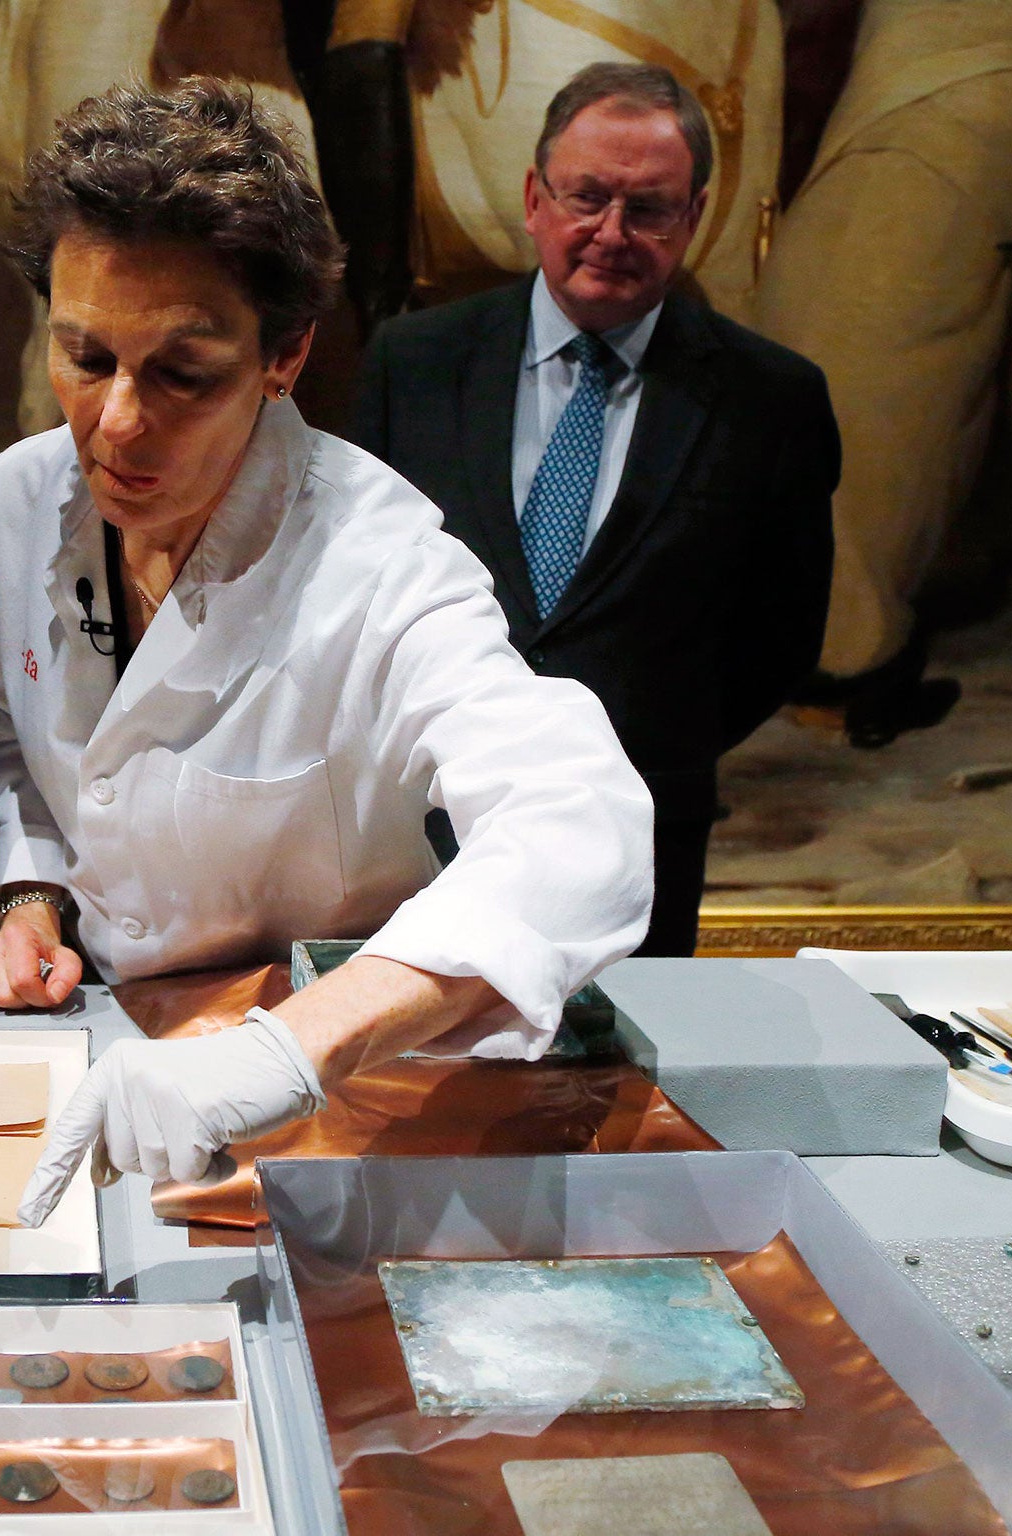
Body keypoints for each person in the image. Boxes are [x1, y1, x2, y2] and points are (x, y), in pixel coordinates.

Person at [0, 79, 653, 1227]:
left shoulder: (381, 561)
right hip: (98, 1060)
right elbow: (20, 747)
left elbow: (579, 825)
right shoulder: (9, 506)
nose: (116, 423)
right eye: (83, 357)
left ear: (283, 356)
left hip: (326, 1097)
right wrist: (28, 900)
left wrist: (277, 1056)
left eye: (182, 373)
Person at [352, 61, 839, 957]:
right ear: (536, 197)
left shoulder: (771, 401)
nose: (612, 233)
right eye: (587, 197)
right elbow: (352, 582)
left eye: (649, 207)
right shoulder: (413, 363)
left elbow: (781, 638)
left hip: (639, 842)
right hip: (418, 831)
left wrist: (649, 733)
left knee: (616, 1093)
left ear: (692, 219)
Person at [759, 0, 1012, 745]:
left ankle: (816, 658)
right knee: (879, 500)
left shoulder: (896, 34)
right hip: (916, 304)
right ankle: (860, 680)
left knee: (817, 485)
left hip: (792, 278)